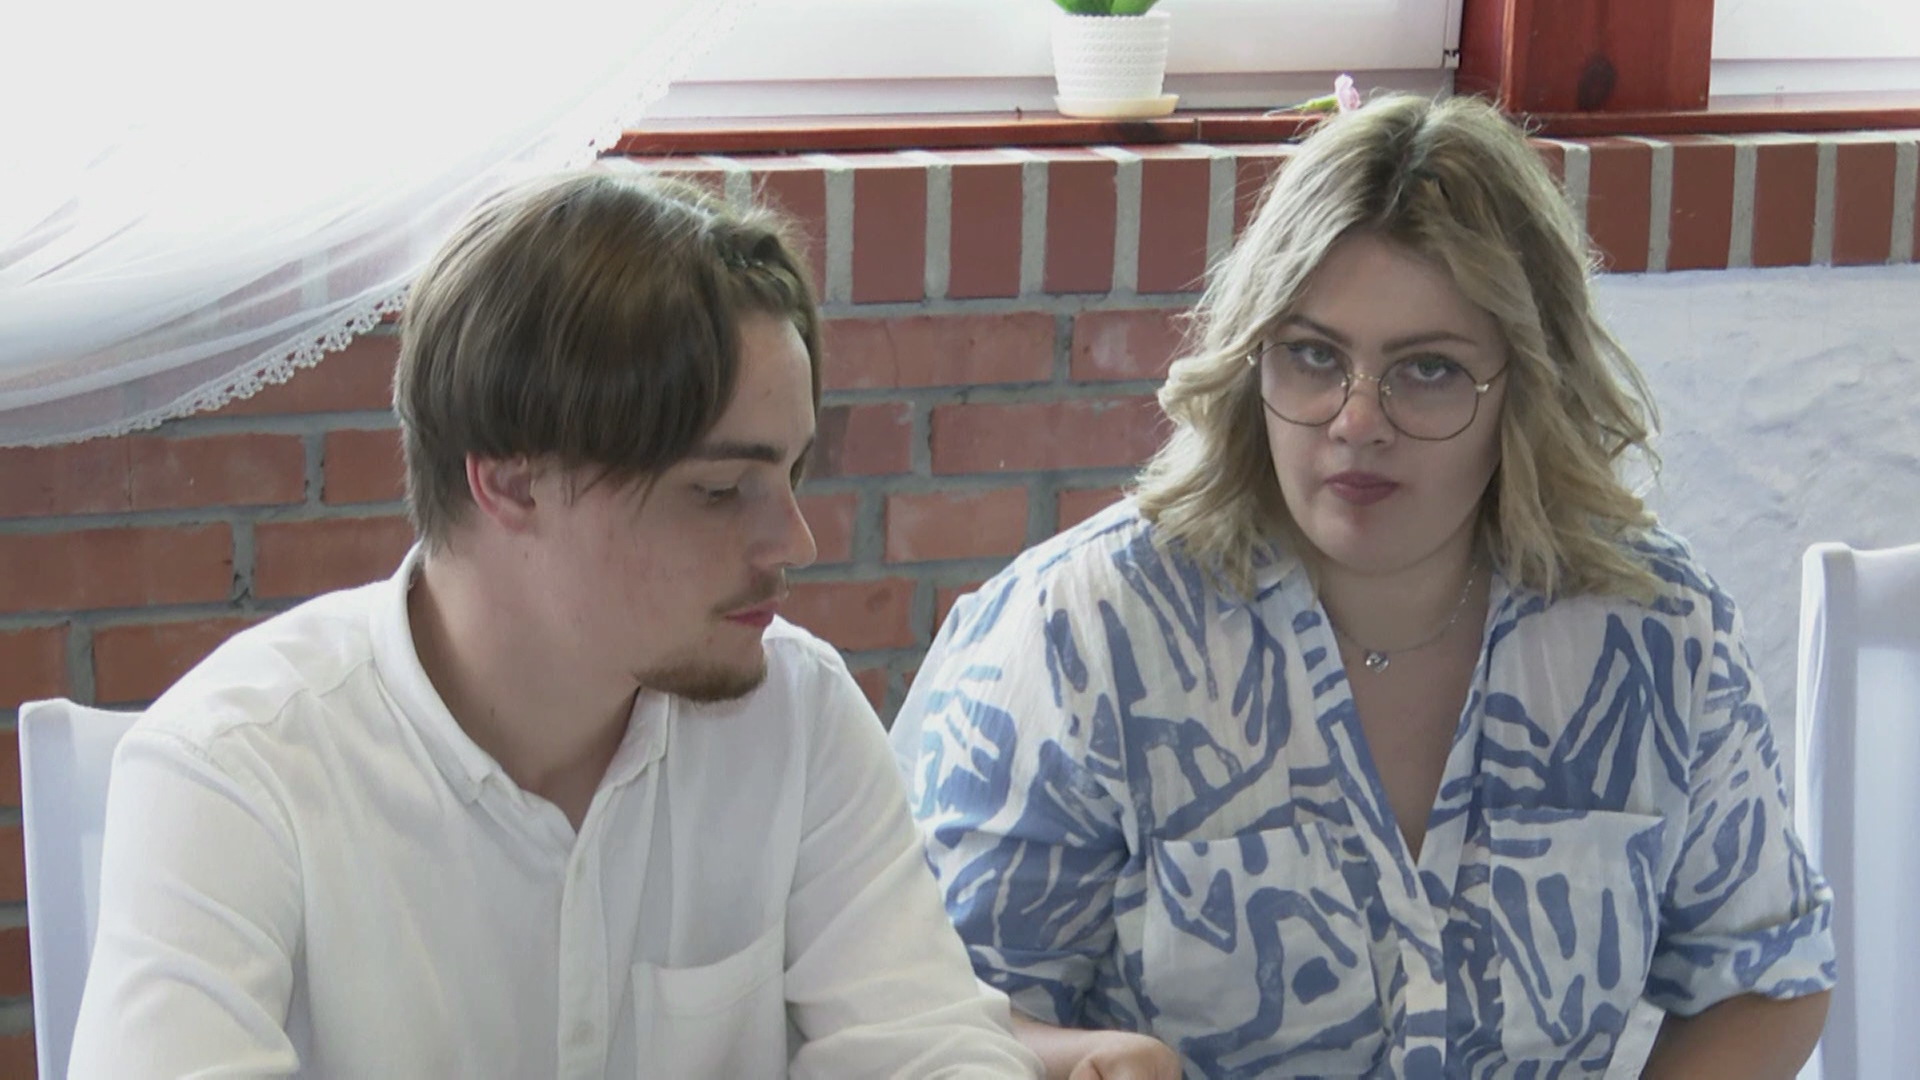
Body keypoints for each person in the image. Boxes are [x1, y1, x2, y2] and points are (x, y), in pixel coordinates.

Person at [891, 94, 1835, 1080]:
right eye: (1313, 357)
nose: (1357, 421)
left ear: (1528, 384)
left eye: (1427, 370)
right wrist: (1086, 1057)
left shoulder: (1652, 629)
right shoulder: (1084, 632)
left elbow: (1765, 974)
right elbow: (926, 1015)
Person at [69, 172, 1042, 1079]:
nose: (795, 539)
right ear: (511, 482)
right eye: (718, 489)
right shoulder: (235, 769)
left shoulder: (797, 712)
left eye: (793, 473)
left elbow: (937, 1049)